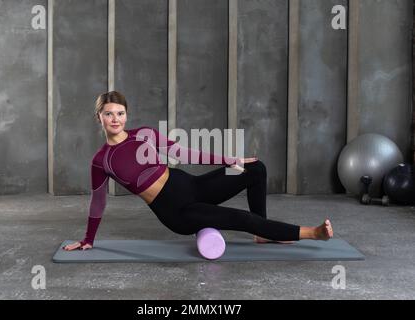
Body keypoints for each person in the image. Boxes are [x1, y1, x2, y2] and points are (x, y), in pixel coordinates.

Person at [63, 91, 333, 251]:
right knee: (240, 218)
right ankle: (312, 233)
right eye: (109, 114)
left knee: (255, 169)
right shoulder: (102, 161)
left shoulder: (144, 134)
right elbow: (98, 201)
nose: (115, 119)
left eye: (120, 113)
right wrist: (88, 239)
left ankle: (264, 232)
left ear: (127, 115)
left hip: (192, 186)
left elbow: (181, 153)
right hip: (177, 211)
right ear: (98, 116)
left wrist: (227, 159)